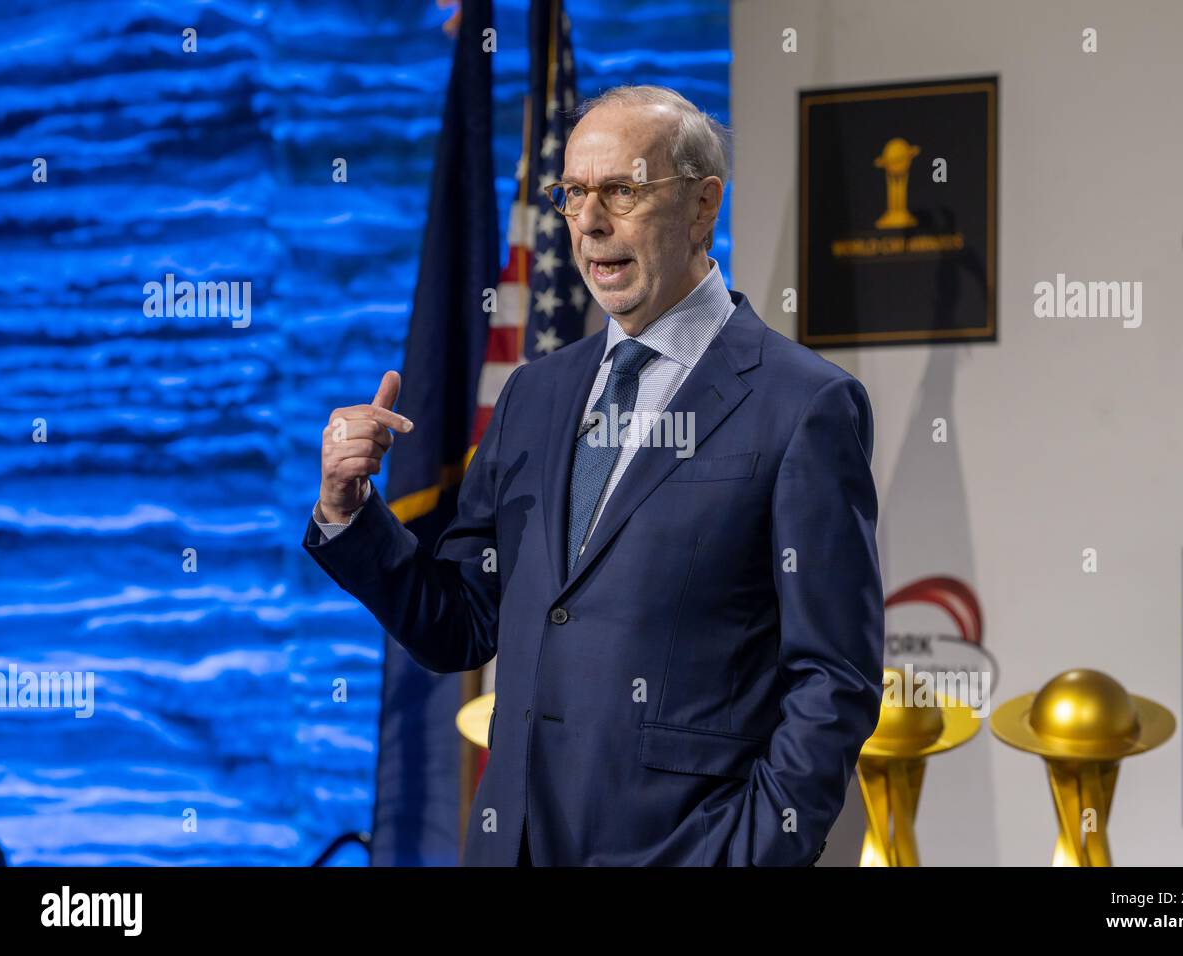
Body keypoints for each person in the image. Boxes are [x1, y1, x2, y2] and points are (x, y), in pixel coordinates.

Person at [304, 84, 884, 866]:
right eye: (573, 193)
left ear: (704, 204)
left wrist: (749, 854)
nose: (589, 223)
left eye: (621, 190)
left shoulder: (803, 405)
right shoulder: (535, 395)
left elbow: (834, 679)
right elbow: (463, 624)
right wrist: (352, 510)